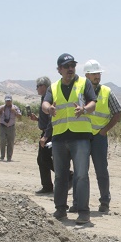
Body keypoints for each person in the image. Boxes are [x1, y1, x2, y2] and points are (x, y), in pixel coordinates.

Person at [41, 53, 96, 224]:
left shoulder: (84, 83)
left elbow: (93, 103)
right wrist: (48, 108)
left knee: (81, 175)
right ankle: (60, 210)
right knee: (60, 176)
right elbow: (45, 103)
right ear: (59, 70)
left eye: (72, 65)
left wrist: (84, 109)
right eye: (66, 66)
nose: (70, 69)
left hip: (80, 137)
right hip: (59, 137)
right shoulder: (54, 87)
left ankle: (83, 212)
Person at [83, 59, 121, 213]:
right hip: (83, 136)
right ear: (86, 75)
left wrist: (105, 129)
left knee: (101, 170)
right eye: (93, 74)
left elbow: (118, 112)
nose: (97, 76)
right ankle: (80, 202)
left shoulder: (106, 92)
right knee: (81, 171)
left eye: (98, 73)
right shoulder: (79, 91)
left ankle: (104, 201)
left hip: (99, 136)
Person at [27, 77, 54, 193]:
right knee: (42, 159)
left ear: (44, 86)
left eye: (38, 86)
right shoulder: (44, 98)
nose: (37, 88)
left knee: (44, 159)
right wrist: (37, 119)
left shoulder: (48, 99)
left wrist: (45, 136)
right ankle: (47, 186)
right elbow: (45, 119)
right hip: (46, 132)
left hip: (49, 134)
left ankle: (68, 175)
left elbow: (51, 120)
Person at [0, 95, 20, 162]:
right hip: (3, 126)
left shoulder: (15, 107)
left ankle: (9, 157)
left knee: (10, 142)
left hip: (11, 126)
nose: (8, 102)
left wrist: (15, 111)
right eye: (7, 101)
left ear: (11, 101)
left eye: (9, 101)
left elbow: (20, 116)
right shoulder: (1, 107)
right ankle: (2, 156)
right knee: (2, 141)